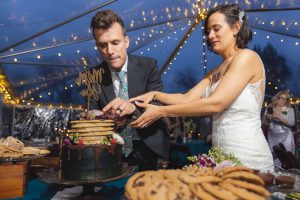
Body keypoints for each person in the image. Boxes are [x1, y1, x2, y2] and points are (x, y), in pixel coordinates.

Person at [129, 4, 274, 172]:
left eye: (216, 29)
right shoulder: (215, 72)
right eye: (208, 31)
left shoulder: (246, 57)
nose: (210, 35)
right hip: (222, 159)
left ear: (235, 28)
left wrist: (161, 111)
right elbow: (187, 98)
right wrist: (155, 94)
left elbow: (216, 103)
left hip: (249, 159)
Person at [89, 10, 170, 170]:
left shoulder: (148, 66)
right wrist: (105, 116)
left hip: (151, 149)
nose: (110, 51)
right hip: (112, 152)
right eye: (102, 45)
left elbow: (159, 103)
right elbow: (92, 114)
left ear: (126, 41)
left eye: (115, 43)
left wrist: (133, 107)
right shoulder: (92, 76)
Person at [263, 90, 295, 167]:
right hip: (273, 137)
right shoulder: (270, 108)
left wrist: (279, 117)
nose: (284, 101)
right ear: (277, 98)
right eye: (281, 98)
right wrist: (266, 118)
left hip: (286, 136)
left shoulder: (286, 109)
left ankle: (287, 175)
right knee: (273, 157)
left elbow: (291, 123)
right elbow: (264, 124)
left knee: (286, 157)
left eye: (286, 99)